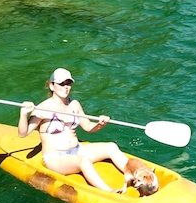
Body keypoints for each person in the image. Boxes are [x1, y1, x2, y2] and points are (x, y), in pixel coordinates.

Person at [19, 68, 158, 196]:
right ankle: (109, 191)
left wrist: (100, 124)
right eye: (61, 84)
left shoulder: (74, 104)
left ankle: (137, 173)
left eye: (68, 83)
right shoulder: (42, 109)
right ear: (52, 86)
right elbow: (23, 133)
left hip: (77, 149)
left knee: (110, 146)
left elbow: (88, 127)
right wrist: (24, 114)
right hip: (55, 158)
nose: (66, 87)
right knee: (83, 161)